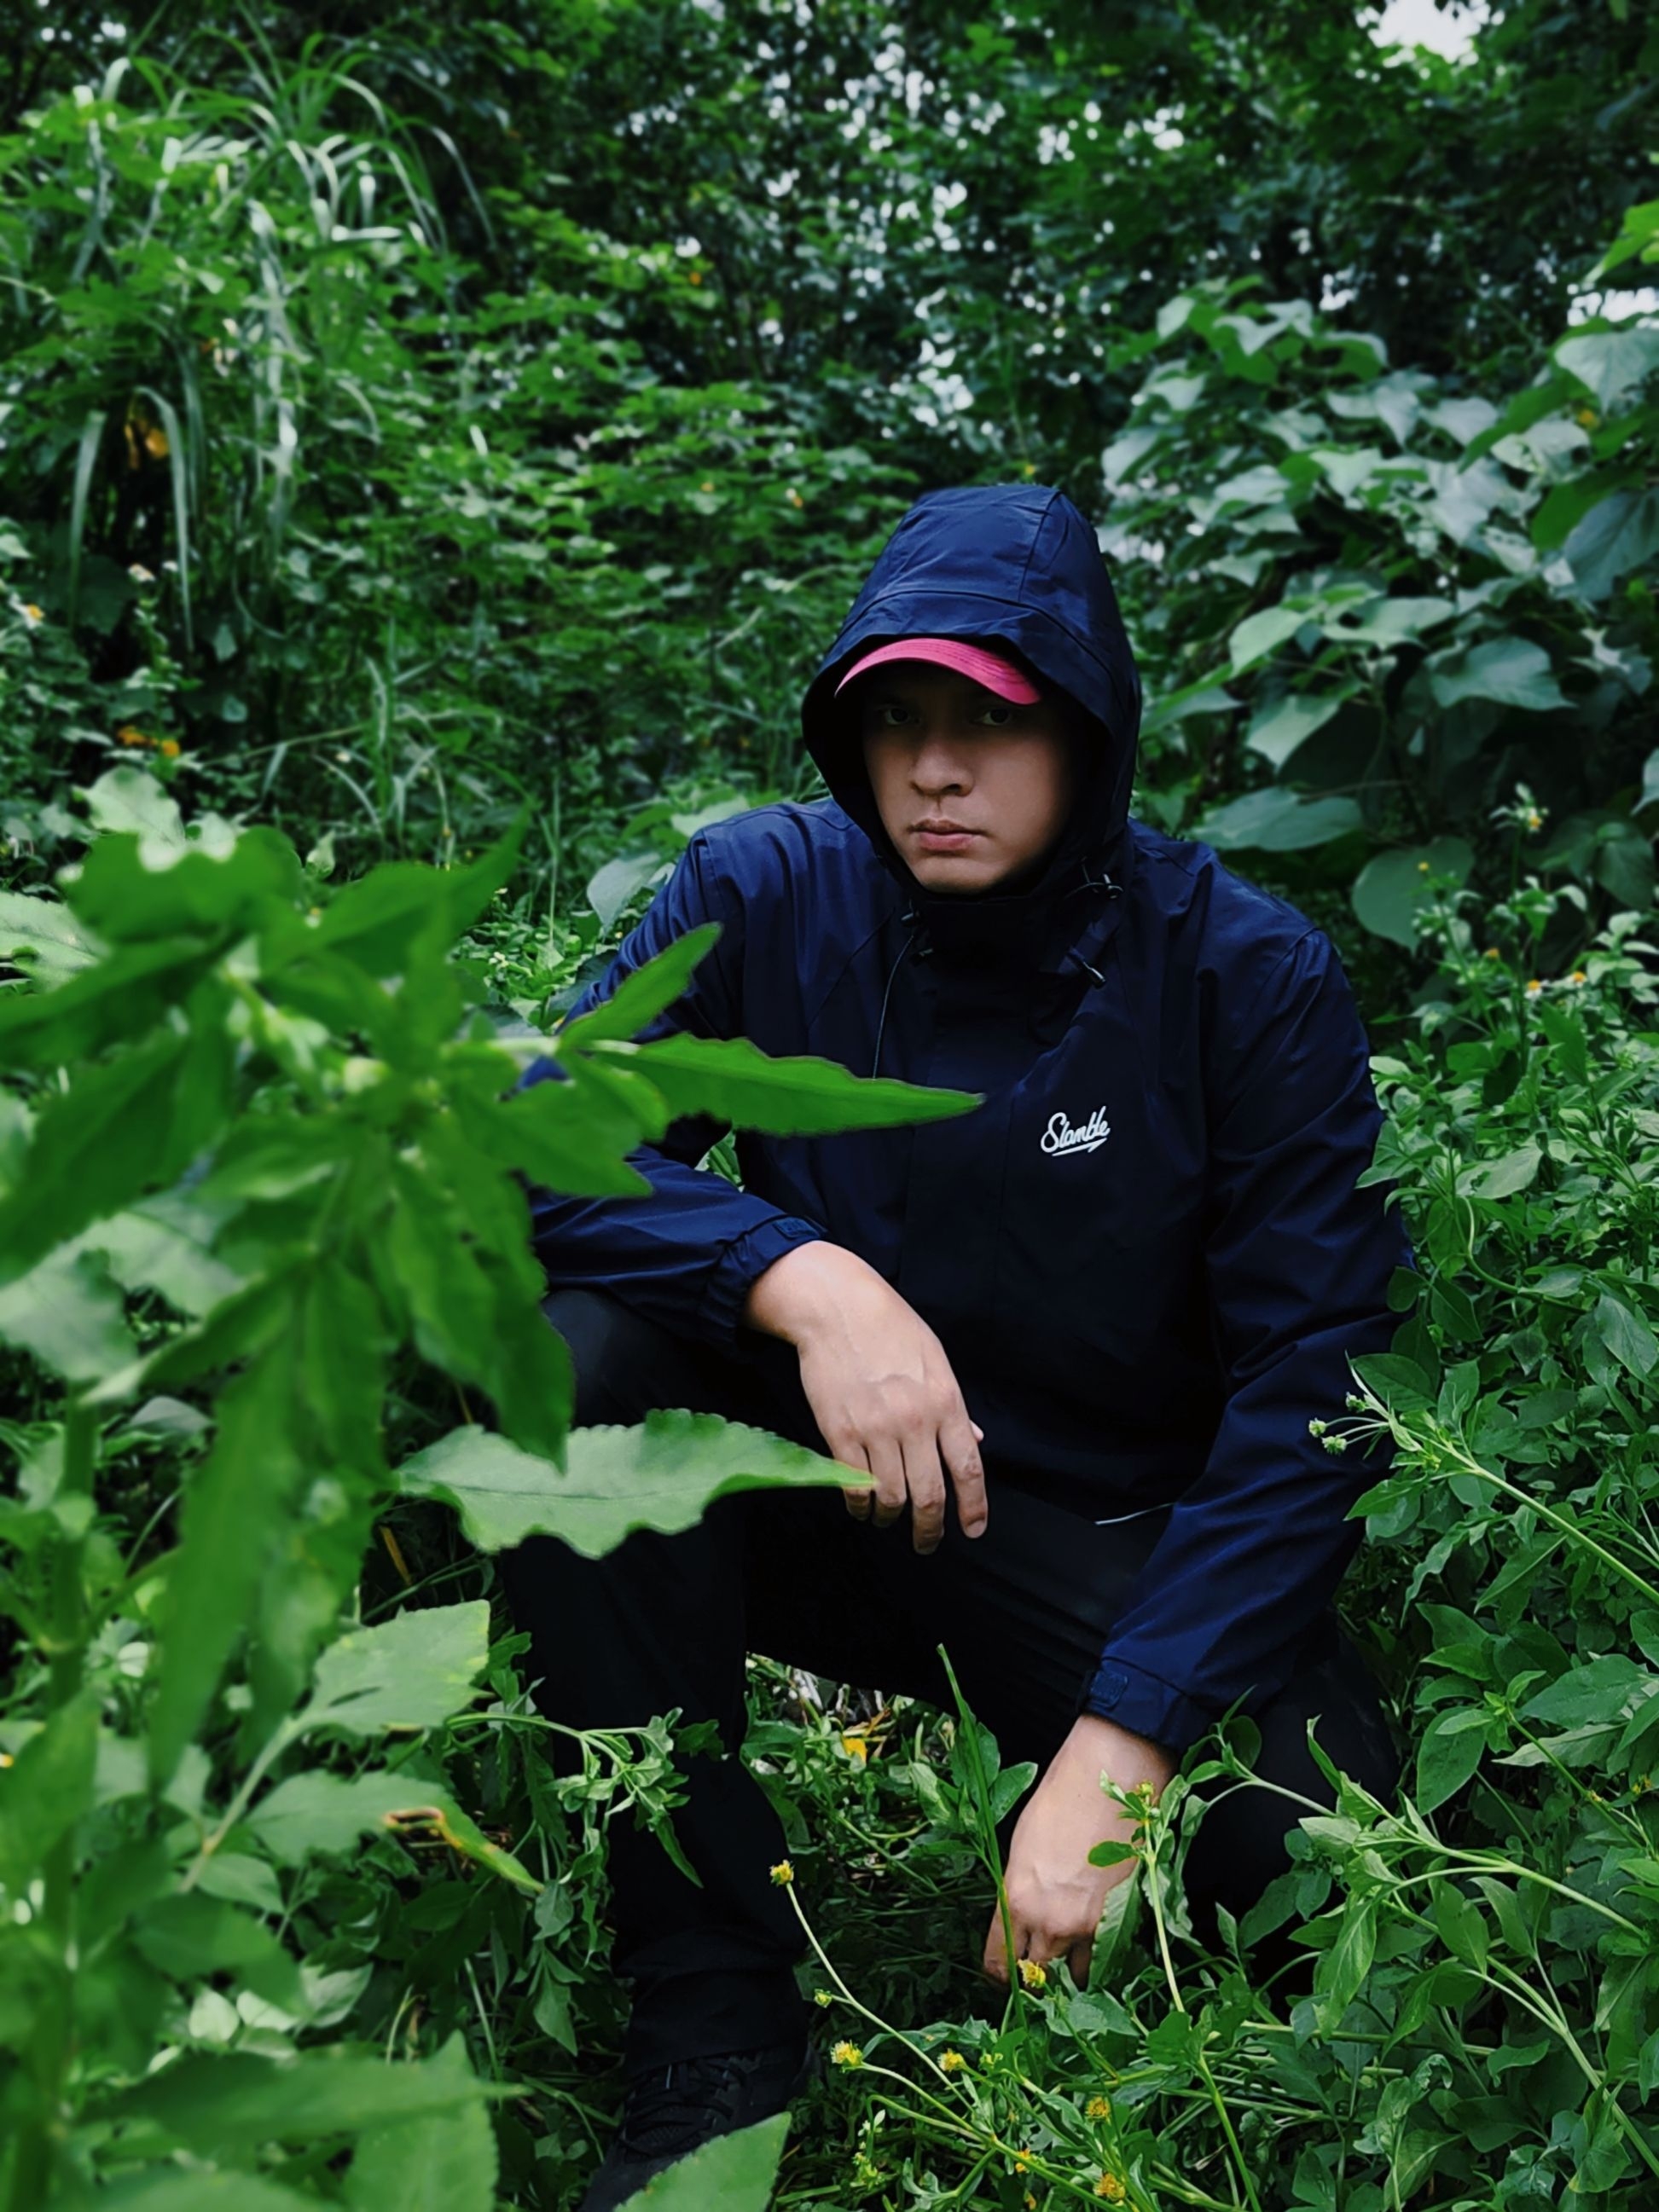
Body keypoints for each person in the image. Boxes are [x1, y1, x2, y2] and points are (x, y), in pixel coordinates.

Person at [501, 482, 1409, 2211]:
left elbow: (1318, 1394)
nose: (932, 770)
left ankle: (1060, 1816)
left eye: (986, 722)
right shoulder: (765, 891)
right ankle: (711, 2015)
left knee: (1313, 1858)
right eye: (894, 722)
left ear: (1085, 732)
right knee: (578, 1363)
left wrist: (1123, 1744)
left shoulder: (1241, 974)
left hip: (1100, 1545)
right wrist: (796, 1274)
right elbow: (532, 1149)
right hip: (828, 1493)